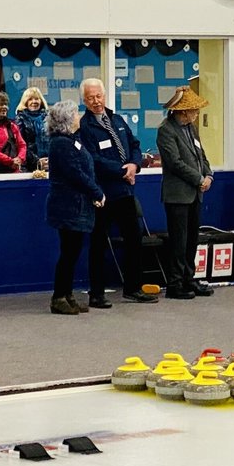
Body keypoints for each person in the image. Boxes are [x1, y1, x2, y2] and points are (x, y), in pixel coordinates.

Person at [78, 78, 158, 306]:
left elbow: (135, 145)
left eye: (99, 96)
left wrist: (134, 165)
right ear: (84, 100)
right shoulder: (84, 127)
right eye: (91, 98)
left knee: (134, 239)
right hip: (103, 194)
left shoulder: (117, 120)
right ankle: (97, 293)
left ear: (105, 96)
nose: (96, 101)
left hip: (126, 191)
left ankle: (133, 288)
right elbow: (92, 158)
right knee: (98, 244)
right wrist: (121, 170)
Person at [45, 99, 105, 316]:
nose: (79, 117)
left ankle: (68, 295)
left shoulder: (72, 141)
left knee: (73, 252)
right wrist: (96, 192)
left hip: (77, 204)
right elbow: (75, 173)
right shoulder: (60, 143)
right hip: (67, 205)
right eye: (76, 114)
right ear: (67, 119)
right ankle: (58, 297)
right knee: (68, 253)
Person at [157, 87, 214, 300]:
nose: (196, 114)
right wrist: (198, 179)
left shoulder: (191, 128)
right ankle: (175, 283)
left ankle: (190, 278)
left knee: (192, 240)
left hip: (195, 194)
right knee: (178, 241)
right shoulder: (166, 130)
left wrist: (208, 175)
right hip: (178, 195)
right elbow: (175, 163)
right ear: (182, 112)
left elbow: (202, 155)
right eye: (194, 111)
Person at [0, 92, 27, 174]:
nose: (4, 107)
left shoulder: (12, 126)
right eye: (1, 104)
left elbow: (22, 145)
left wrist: (19, 159)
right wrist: (9, 161)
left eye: (6, 104)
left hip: (14, 171)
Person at [16, 87, 50, 172]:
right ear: (25, 102)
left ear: (41, 101)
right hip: (29, 165)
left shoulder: (49, 118)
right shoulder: (20, 119)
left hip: (50, 164)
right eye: (30, 99)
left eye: (36, 99)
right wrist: (37, 161)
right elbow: (20, 145)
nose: (34, 102)